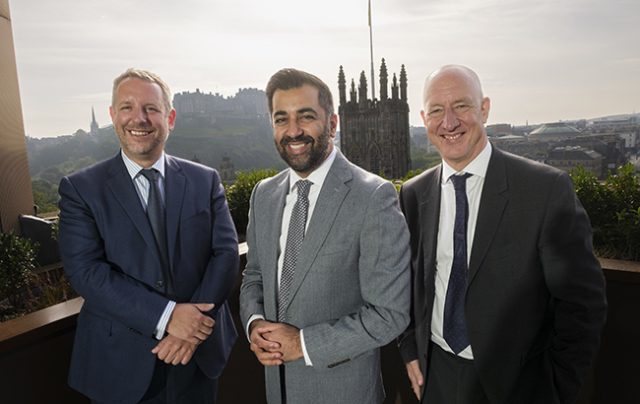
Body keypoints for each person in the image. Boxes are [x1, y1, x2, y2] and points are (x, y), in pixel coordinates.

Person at [397, 64, 607, 404]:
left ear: (484, 109)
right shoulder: (413, 194)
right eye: (437, 110)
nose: (448, 122)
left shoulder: (544, 189)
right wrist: (409, 349)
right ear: (424, 118)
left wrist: (555, 389)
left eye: (461, 106)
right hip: (435, 377)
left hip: (518, 385)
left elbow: (582, 304)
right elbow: (407, 284)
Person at [58, 68, 239, 403]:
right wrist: (168, 316)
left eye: (151, 109)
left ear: (169, 117)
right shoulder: (81, 189)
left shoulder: (205, 180)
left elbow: (225, 254)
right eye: (127, 107)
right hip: (121, 362)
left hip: (198, 356)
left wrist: (192, 329)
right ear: (113, 115)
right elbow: (87, 272)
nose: (138, 119)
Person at [239, 68, 411, 404]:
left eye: (306, 116)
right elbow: (254, 276)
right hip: (278, 390)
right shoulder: (263, 195)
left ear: (332, 123)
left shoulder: (374, 197)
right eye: (281, 119)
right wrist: (255, 324)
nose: (293, 131)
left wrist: (302, 345)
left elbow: (390, 314)